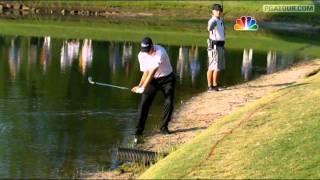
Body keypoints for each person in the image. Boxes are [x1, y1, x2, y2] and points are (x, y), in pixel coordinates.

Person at [132, 37, 176, 143]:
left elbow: (152, 72)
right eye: (145, 51)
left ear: (152, 46)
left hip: (167, 79)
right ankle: (139, 131)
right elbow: (146, 72)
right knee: (144, 104)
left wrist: (143, 88)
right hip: (152, 81)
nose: (147, 53)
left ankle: (163, 127)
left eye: (148, 50)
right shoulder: (141, 55)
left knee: (169, 102)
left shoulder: (160, 52)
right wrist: (139, 86)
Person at [207, 3, 225, 92]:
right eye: (216, 10)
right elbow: (209, 28)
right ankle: (211, 86)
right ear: (213, 11)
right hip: (214, 46)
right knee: (213, 67)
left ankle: (216, 83)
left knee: (219, 67)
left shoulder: (220, 19)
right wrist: (212, 25)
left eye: (220, 10)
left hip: (221, 45)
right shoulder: (212, 20)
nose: (218, 12)